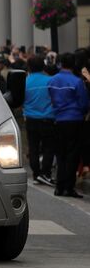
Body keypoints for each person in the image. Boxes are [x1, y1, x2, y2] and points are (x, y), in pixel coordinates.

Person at [48, 52, 89, 198]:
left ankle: (59, 187)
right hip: (74, 120)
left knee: (60, 155)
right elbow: (84, 103)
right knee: (72, 155)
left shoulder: (52, 81)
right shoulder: (76, 82)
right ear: (73, 64)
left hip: (58, 119)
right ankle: (68, 188)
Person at [23, 55, 55, 186]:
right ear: (43, 66)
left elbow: (21, 100)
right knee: (48, 148)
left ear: (29, 67)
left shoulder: (25, 82)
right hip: (48, 119)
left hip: (31, 119)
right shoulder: (50, 81)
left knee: (33, 148)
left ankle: (36, 174)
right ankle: (45, 173)